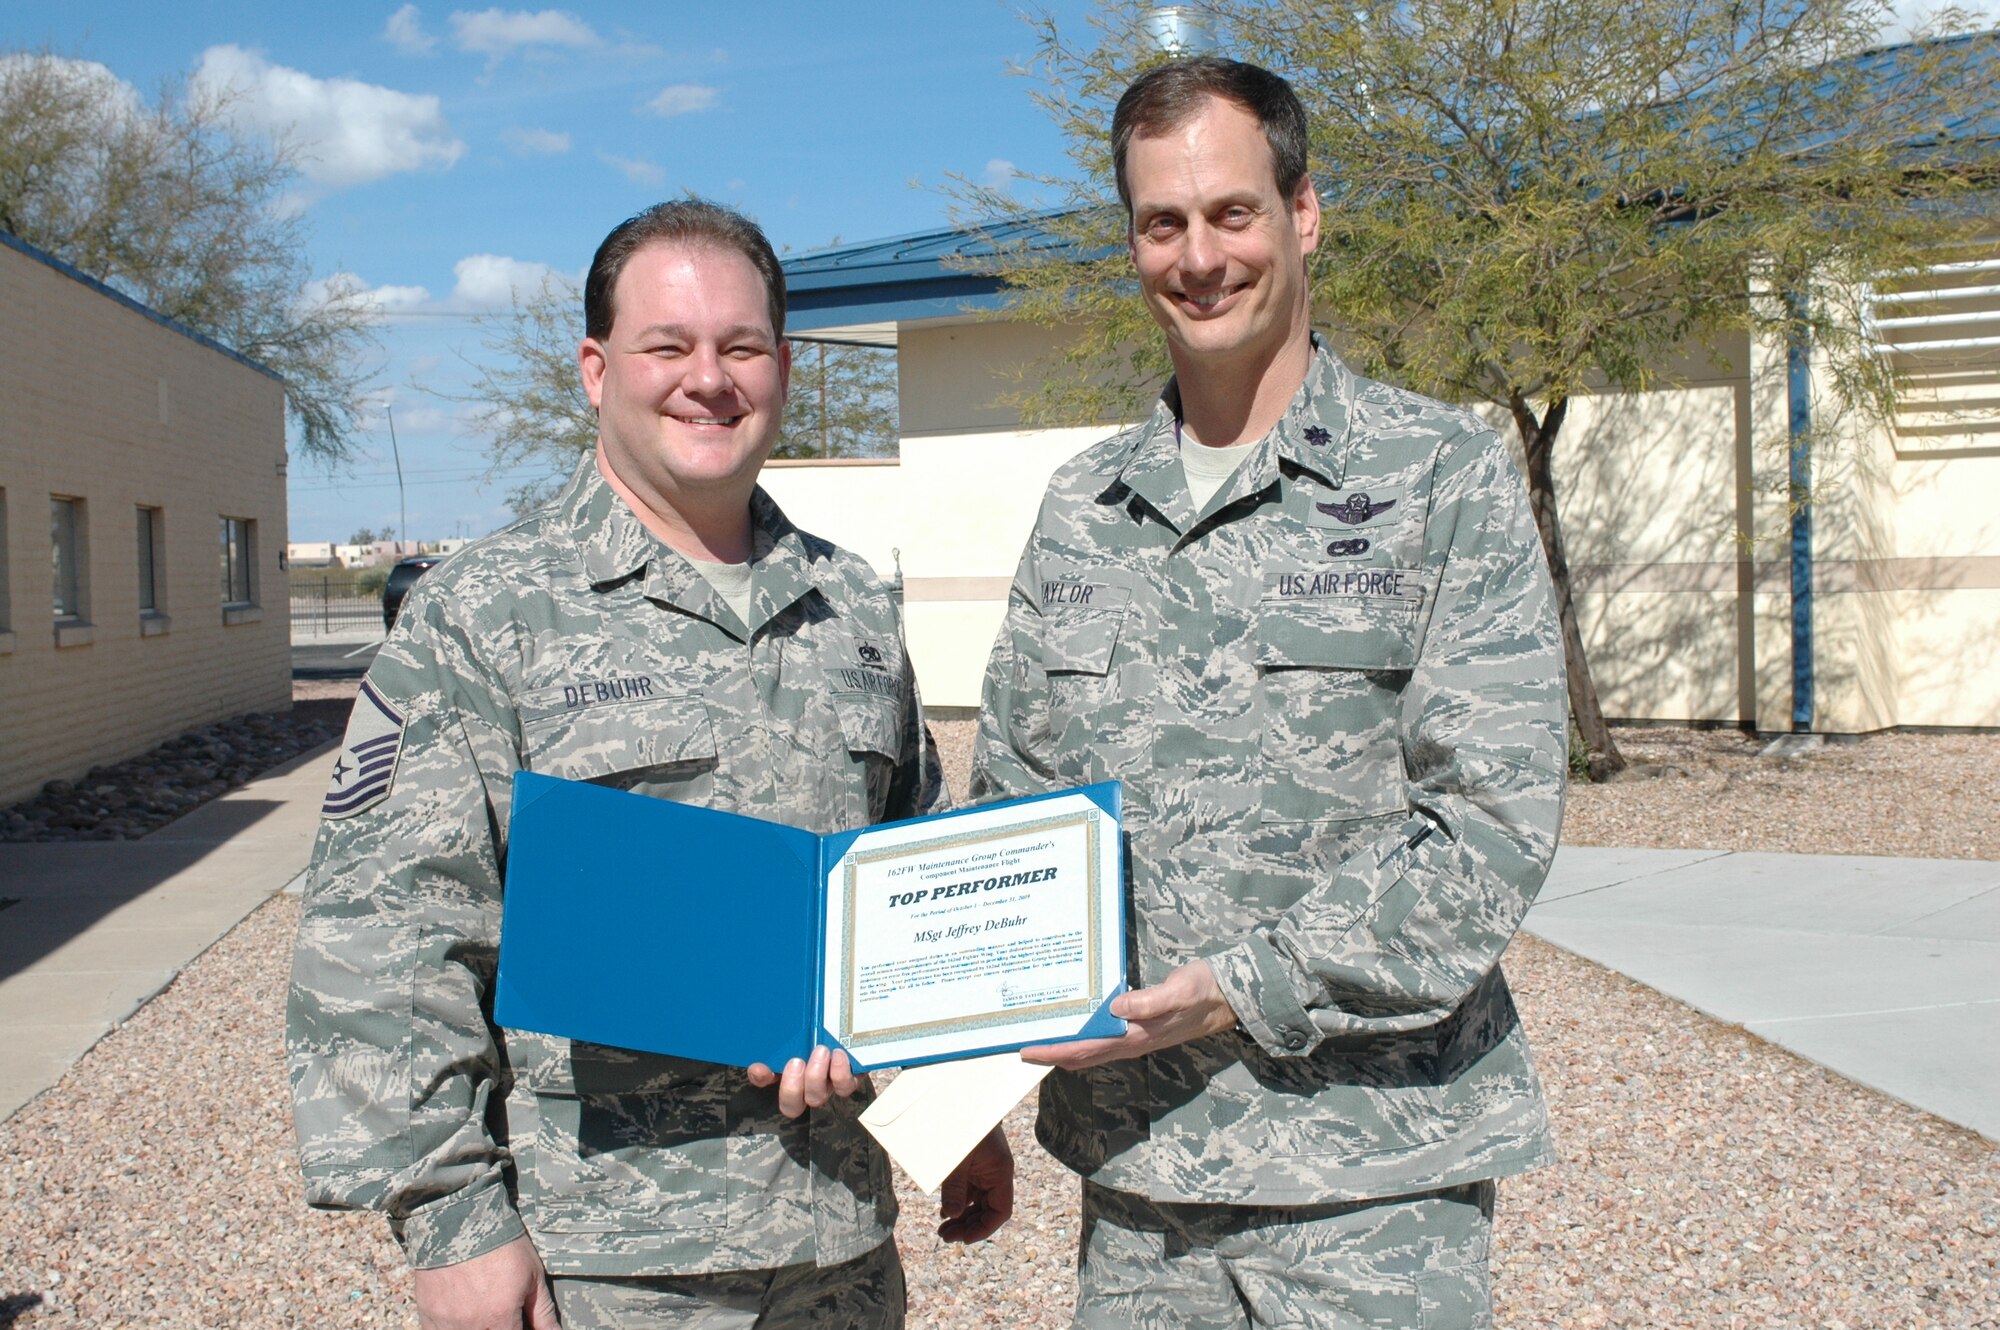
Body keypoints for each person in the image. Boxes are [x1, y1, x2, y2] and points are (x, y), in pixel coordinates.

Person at [288, 199, 1011, 1330]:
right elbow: (382, 937)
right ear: (595, 368)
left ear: (782, 364)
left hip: (839, 1251)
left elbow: (915, 894)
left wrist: (956, 1115)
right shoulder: (484, 617)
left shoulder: (854, 607)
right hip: (611, 1266)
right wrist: (452, 1226)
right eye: (666, 346)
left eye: (741, 346)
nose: (707, 378)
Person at [972, 57, 1567, 1330]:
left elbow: (1486, 832)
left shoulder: (1438, 473)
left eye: (1231, 212)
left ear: (1302, 215)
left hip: (1372, 1187)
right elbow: (1009, 809)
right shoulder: (1084, 507)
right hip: (1140, 1191)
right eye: (1161, 223)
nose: (1198, 256)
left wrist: (1237, 985)